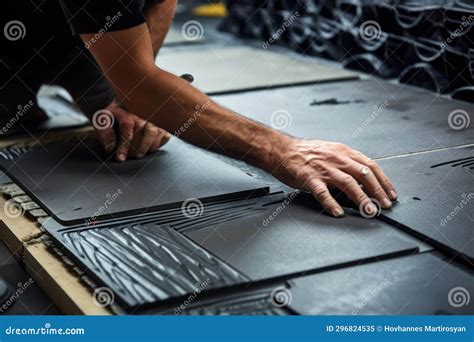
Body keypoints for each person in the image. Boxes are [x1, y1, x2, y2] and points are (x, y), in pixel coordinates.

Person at [0, 0, 397, 217]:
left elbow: (159, 7)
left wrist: (129, 102)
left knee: (117, 117)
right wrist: (282, 150)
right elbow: (141, 84)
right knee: (19, 121)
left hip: (75, 21)